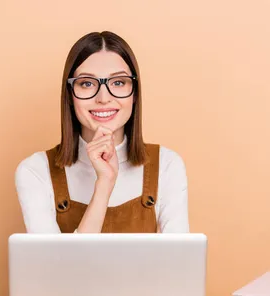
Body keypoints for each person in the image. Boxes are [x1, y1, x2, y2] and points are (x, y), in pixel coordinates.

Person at [15, 31, 189, 233]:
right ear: (70, 95)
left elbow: (178, 262)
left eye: (118, 82)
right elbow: (56, 265)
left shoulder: (168, 165)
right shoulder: (35, 171)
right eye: (87, 83)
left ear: (134, 94)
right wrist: (104, 184)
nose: (103, 98)